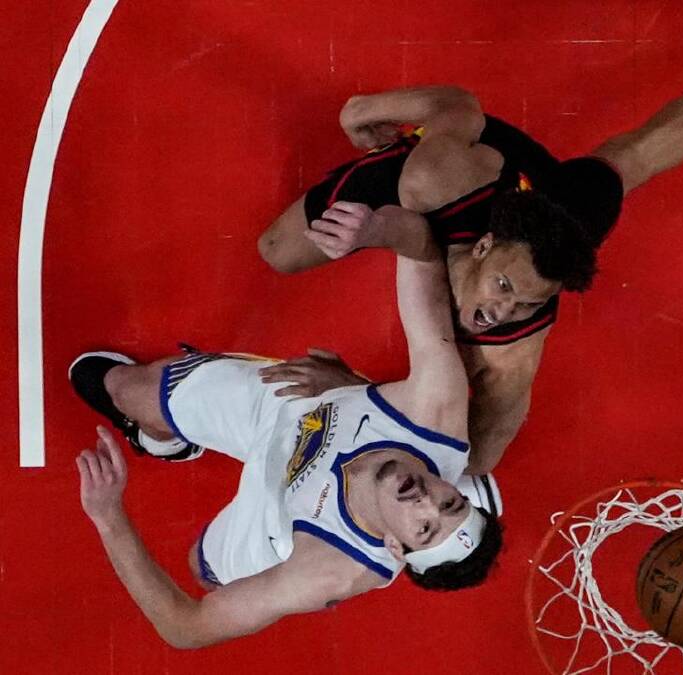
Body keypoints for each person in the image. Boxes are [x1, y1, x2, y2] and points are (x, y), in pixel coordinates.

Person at [255, 2, 683, 477]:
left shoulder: (516, 344)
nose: (502, 312)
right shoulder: (438, 179)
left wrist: (352, 391)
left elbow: (473, 457)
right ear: (483, 248)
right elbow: (459, 106)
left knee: (628, 161)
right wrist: (362, 112)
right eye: (505, 286)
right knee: (277, 255)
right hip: (464, 176)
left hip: (547, 197)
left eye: (526, 301)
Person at [70, 212, 502, 649]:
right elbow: (423, 251)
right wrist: (375, 231)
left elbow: (186, 628)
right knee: (119, 388)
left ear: (394, 547)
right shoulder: (437, 411)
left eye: (424, 529)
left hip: (277, 516)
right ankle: (163, 438)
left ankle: (174, 436)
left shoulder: (330, 569)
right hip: (296, 408)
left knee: (204, 567)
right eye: (449, 503)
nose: (426, 501)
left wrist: (109, 518)